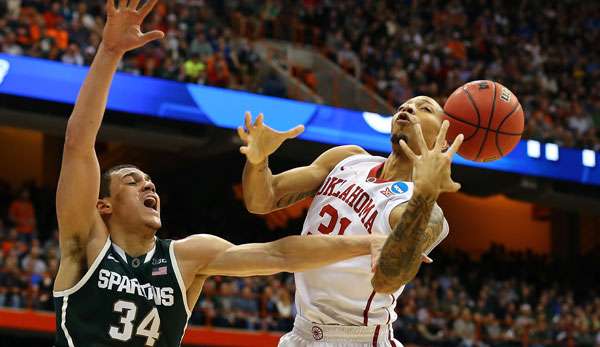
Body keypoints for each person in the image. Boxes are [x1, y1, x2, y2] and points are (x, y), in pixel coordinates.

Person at [52, 2, 386, 346]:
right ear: (104, 206)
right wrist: (109, 51)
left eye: (149, 182)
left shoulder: (187, 256)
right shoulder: (86, 243)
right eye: (132, 181)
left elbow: (280, 255)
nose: (147, 184)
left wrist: (370, 243)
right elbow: (79, 144)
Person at [238, 97, 463, 344]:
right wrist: (258, 161)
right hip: (300, 333)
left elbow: (389, 279)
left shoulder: (421, 209)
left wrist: (426, 192)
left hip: (359, 338)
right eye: (404, 106)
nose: (408, 108)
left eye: (425, 108)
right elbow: (260, 200)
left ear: (444, 143)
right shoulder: (349, 159)